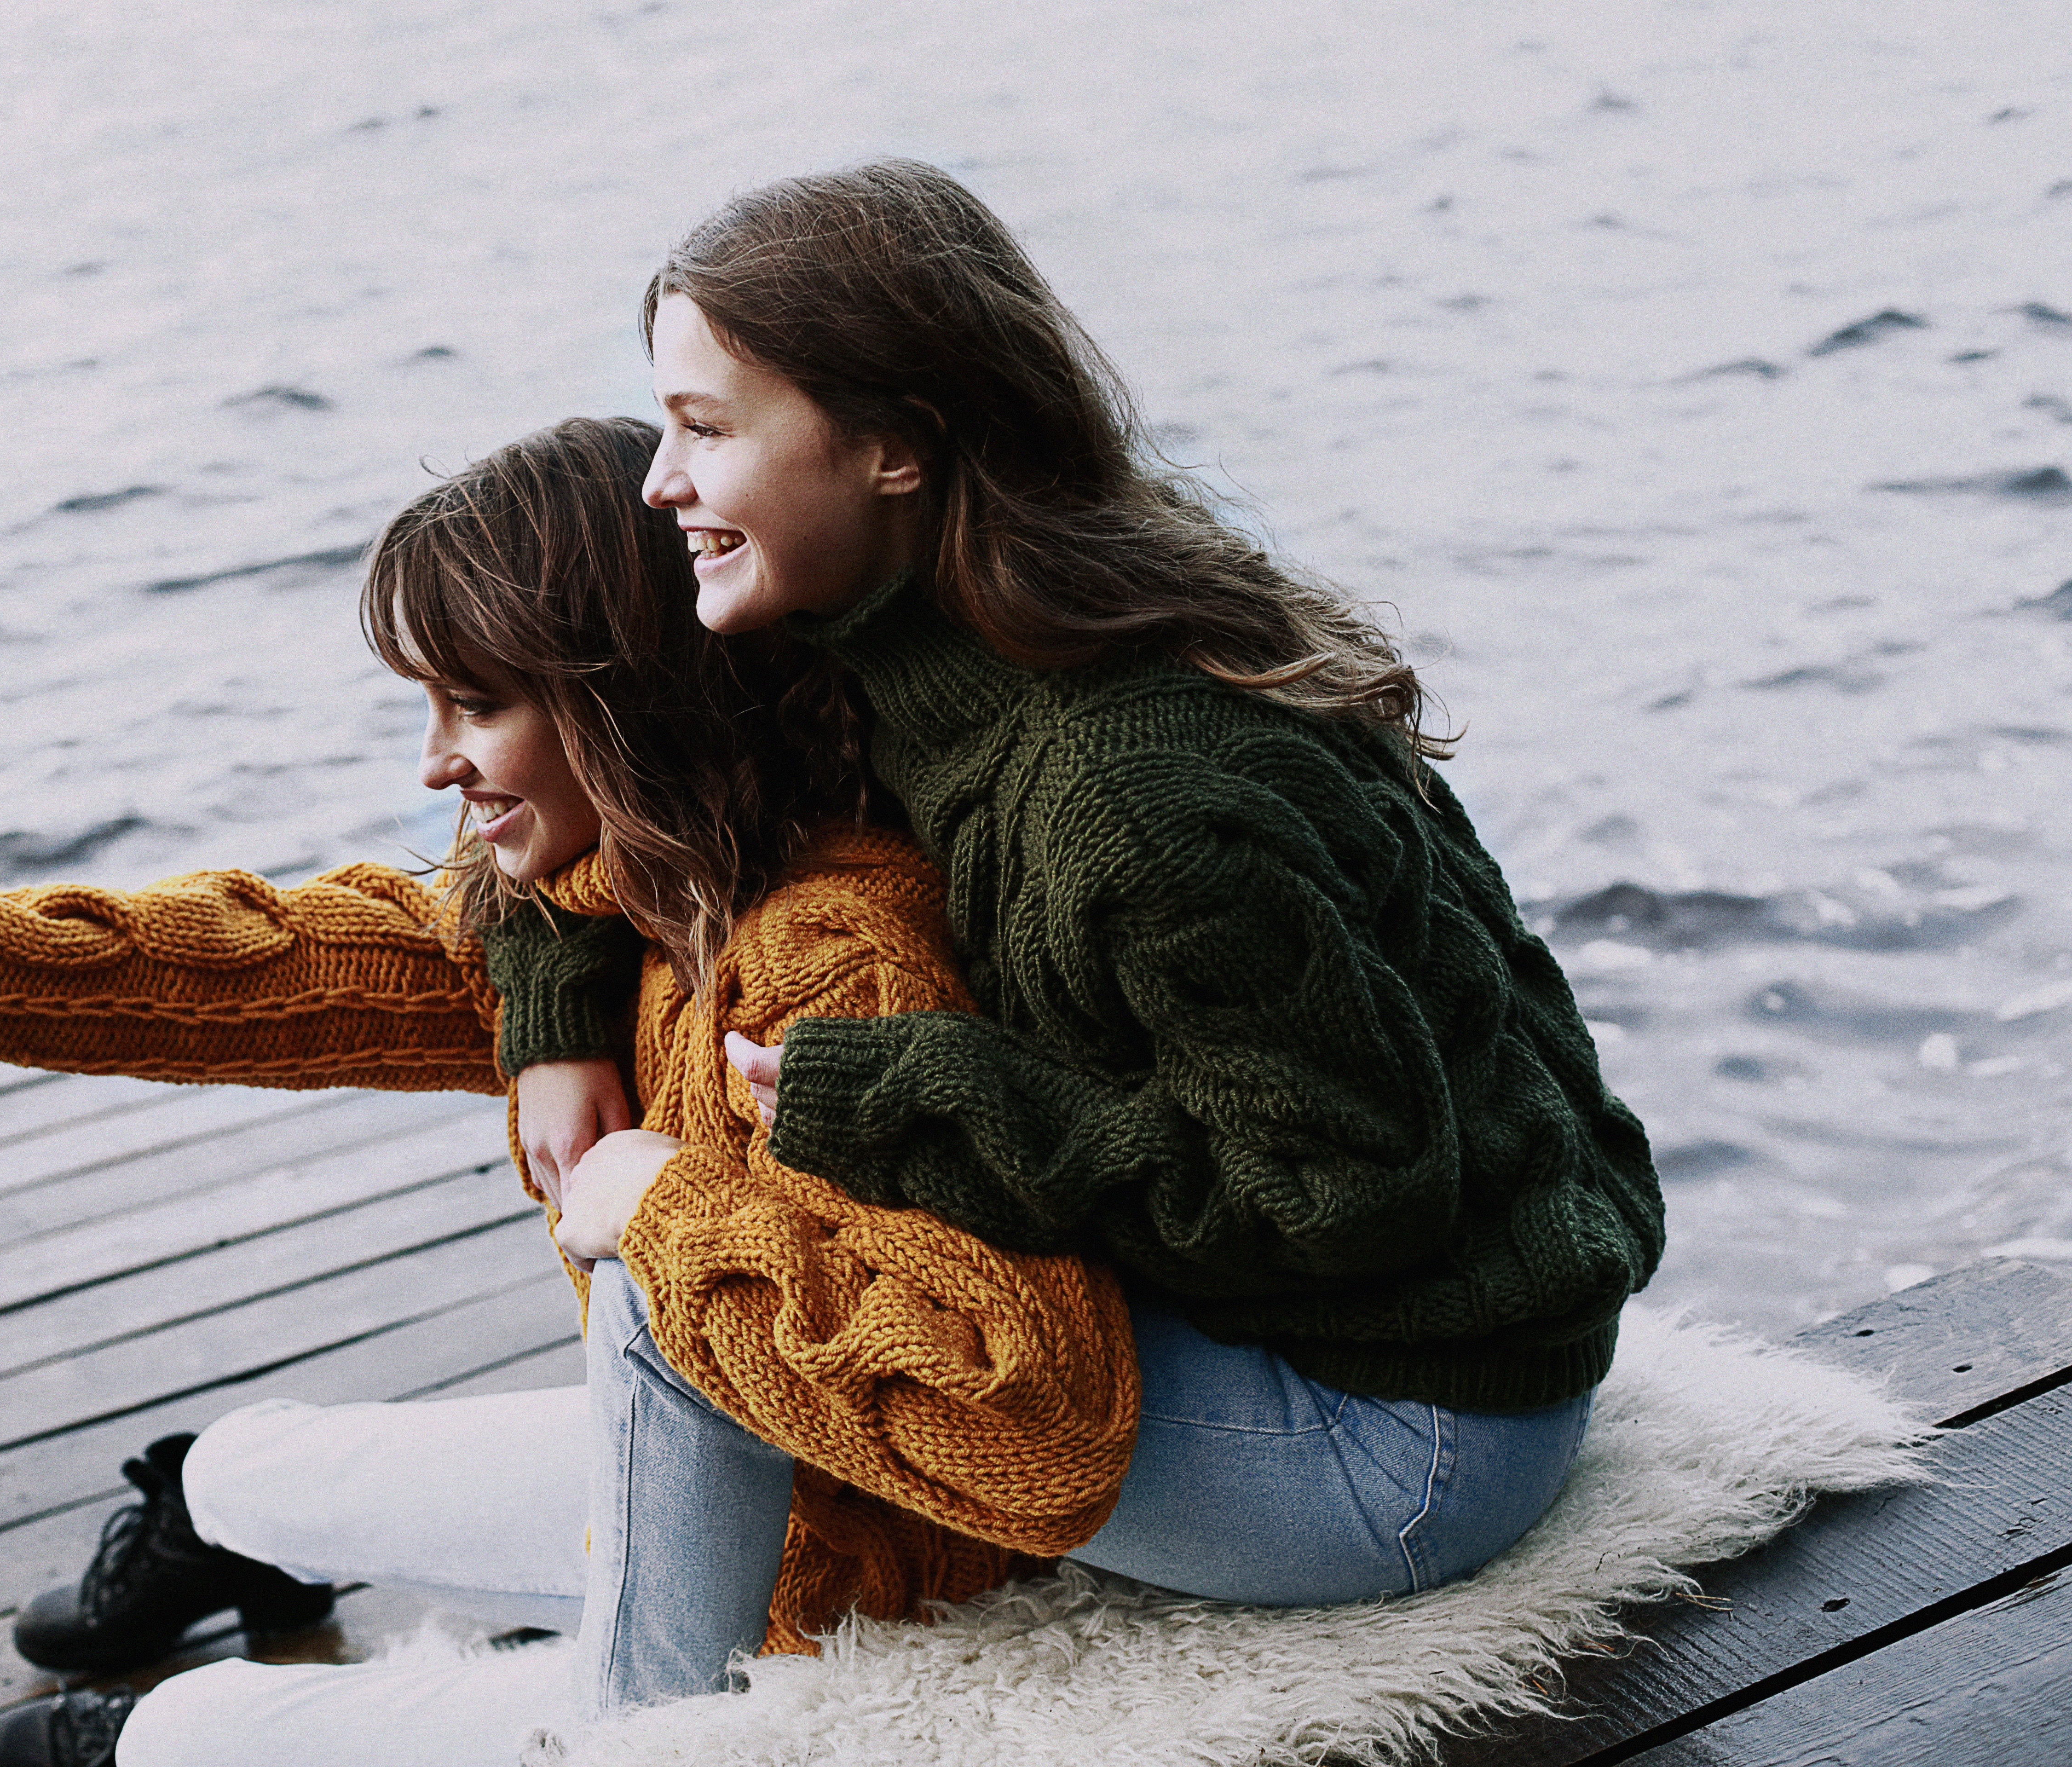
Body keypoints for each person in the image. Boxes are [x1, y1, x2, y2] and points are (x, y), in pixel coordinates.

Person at [0, 416, 1141, 1767]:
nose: (435, 763)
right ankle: (207, 1506)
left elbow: (1023, 1410)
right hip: (713, 1467)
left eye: (476, 704)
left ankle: (176, 1710)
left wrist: (665, 1196)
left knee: (184, 1741)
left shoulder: (834, 962)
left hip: (831, 1588)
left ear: (628, 687)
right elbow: (249, 960)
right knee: (256, 1471)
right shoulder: (600, 910)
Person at [491, 160, 1667, 1622]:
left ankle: (646, 1745)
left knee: (697, 1272)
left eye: (706, 430)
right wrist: (552, 1016)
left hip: (1411, 1427)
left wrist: (935, 1096)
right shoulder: (879, 624)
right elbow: (579, 763)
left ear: (894, 450)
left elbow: (1350, 1199)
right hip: (1292, 1328)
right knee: (734, 1276)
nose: (661, 483)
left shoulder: (1135, 789)